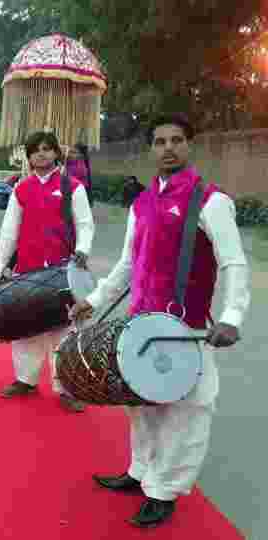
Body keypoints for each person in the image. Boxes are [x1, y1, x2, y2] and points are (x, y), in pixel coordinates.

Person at [70, 113, 250, 528]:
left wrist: (231, 315)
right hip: (141, 325)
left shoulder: (211, 201)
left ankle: (165, 490)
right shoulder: (143, 203)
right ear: (151, 149)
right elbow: (128, 264)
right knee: (141, 405)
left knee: (188, 411)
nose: (168, 148)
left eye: (176, 140)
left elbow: (234, 262)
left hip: (186, 329)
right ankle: (141, 472)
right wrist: (94, 301)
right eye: (160, 141)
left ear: (189, 145)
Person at [0, 132, 94, 412]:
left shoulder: (73, 187)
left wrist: (83, 249)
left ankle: (67, 388)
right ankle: (25, 380)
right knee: (26, 328)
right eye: (35, 150)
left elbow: (85, 224)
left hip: (63, 271)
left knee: (64, 331)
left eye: (47, 149)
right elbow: (9, 232)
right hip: (28, 270)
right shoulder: (21, 190)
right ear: (29, 157)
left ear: (56, 154)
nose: (41, 154)